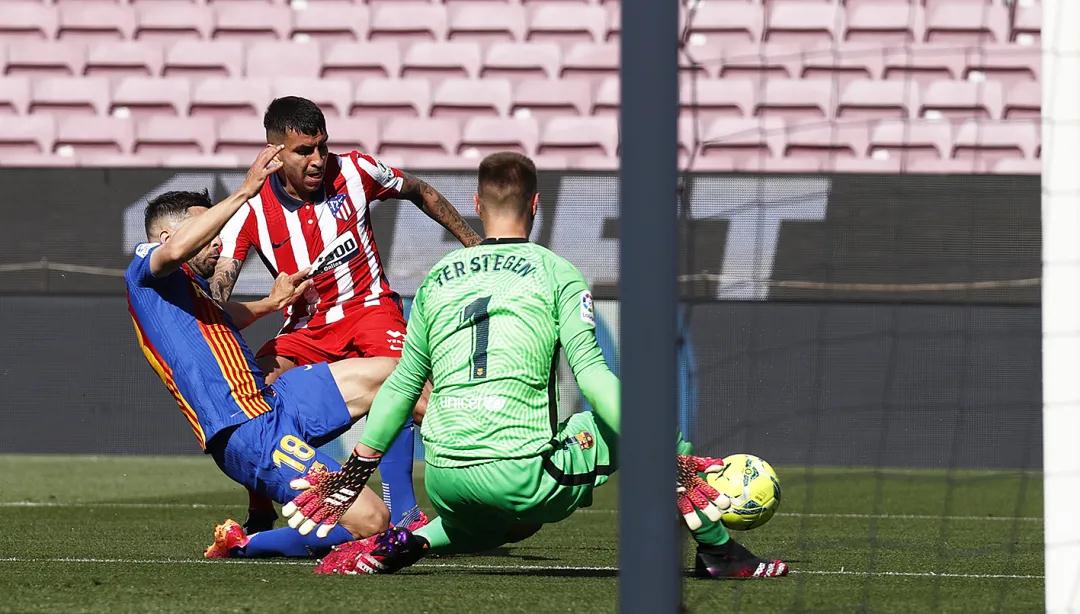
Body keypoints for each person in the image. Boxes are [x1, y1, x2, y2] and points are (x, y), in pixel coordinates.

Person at [277, 152, 789, 578]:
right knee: (642, 419)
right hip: (523, 475)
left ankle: (403, 546)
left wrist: (353, 472)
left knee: (486, 525)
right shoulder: (556, 272)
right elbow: (593, 378)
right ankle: (720, 553)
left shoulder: (438, 277)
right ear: (537, 206)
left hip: (447, 481)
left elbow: (404, 385)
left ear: (477, 205)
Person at [210, 97, 482, 532]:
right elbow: (218, 292)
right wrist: (258, 296)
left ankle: (421, 507)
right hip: (306, 327)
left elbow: (421, 191)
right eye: (304, 151)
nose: (318, 159)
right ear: (274, 152)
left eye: (322, 146)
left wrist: (474, 243)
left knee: (409, 385)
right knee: (253, 392)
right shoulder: (248, 208)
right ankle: (261, 509)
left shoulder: (355, 170)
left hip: (369, 307)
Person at [125, 146, 399, 559]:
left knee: (397, 373)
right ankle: (243, 545)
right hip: (247, 431)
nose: (217, 241)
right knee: (373, 523)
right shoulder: (146, 266)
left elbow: (224, 315)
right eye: (206, 231)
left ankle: (473, 460)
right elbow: (173, 252)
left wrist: (272, 303)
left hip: (275, 402)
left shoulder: (186, 289)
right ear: (168, 235)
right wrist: (243, 192)